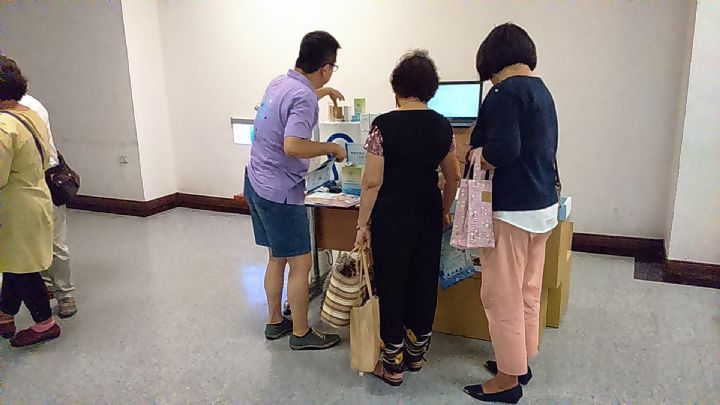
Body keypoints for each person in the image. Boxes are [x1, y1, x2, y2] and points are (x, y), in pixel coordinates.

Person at [461, 23, 559, 404]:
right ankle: (521, 362)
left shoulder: (503, 93)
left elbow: (502, 151)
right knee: (527, 290)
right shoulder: (542, 90)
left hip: (512, 211)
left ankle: (507, 381)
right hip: (543, 207)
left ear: (493, 63)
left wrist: (475, 154)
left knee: (501, 296)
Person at [355, 50, 461, 386]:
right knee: (423, 281)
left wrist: (362, 225)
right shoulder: (443, 126)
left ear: (396, 87)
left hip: (391, 216)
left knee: (392, 283)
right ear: (431, 89)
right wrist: (444, 209)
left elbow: (372, 182)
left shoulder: (383, 126)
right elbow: (453, 177)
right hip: (427, 212)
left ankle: (393, 365)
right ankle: (416, 355)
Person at [245, 31, 347, 350]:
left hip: (255, 181)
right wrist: (331, 147)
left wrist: (324, 92)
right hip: (280, 192)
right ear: (326, 67)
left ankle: (276, 321)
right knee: (301, 264)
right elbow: (293, 145)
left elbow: (294, 104)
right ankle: (301, 333)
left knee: (277, 257)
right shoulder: (303, 97)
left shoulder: (280, 83)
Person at [0, 55, 62, 347]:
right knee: (15, 262)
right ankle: (5, 315)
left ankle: (45, 324)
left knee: (23, 269)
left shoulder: (3, 125)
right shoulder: (29, 113)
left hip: (15, 205)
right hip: (36, 195)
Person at [20, 94, 78, 318]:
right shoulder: (24, 106)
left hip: (42, 178)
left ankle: (65, 294)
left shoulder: (26, 108)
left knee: (54, 241)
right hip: (26, 181)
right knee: (37, 240)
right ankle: (49, 286)